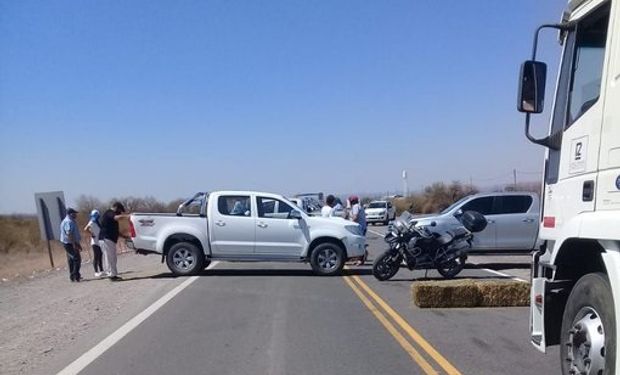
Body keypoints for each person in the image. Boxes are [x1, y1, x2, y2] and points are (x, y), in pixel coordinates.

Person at [100, 202, 130, 281]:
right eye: (119, 210)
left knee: (113, 257)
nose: (120, 212)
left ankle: (113, 274)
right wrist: (126, 216)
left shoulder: (111, 216)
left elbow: (115, 230)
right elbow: (116, 217)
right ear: (116, 207)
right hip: (106, 239)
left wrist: (124, 236)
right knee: (109, 257)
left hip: (110, 239)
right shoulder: (109, 213)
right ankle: (111, 275)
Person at [60, 208, 82, 282]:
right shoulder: (67, 222)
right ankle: (74, 274)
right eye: (74, 213)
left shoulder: (72, 221)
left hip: (71, 242)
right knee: (77, 259)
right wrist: (74, 244)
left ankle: (74, 276)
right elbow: (69, 234)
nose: (76, 215)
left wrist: (77, 243)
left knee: (71, 260)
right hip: (68, 243)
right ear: (70, 214)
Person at [348, 196, 368, 265]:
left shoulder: (356, 207)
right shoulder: (357, 206)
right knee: (358, 244)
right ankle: (358, 258)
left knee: (359, 244)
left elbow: (355, 217)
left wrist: (349, 215)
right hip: (361, 227)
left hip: (360, 228)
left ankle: (361, 259)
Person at [84, 209, 104, 277]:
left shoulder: (98, 222)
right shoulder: (92, 221)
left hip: (99, 241)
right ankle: (96, 271)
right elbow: (85, 229)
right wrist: (91, 233)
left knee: (100, 255)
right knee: (96, 256)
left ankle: (101, 270)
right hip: (94, 242)